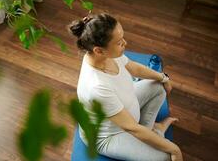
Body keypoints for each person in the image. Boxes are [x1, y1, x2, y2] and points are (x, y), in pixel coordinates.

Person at [68, 13, 183, 161]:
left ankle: (154, 130)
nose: (125, 43)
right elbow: (131, 128)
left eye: (122, 38)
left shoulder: (105, 55)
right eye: (119, 42)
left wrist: (163, 77)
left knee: (158, 86)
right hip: (108, 136)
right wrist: (174, 149)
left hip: (123, 108)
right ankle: (154, 133)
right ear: (98, 50)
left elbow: (134, 68)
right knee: (166, 157)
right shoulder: (96, 87)